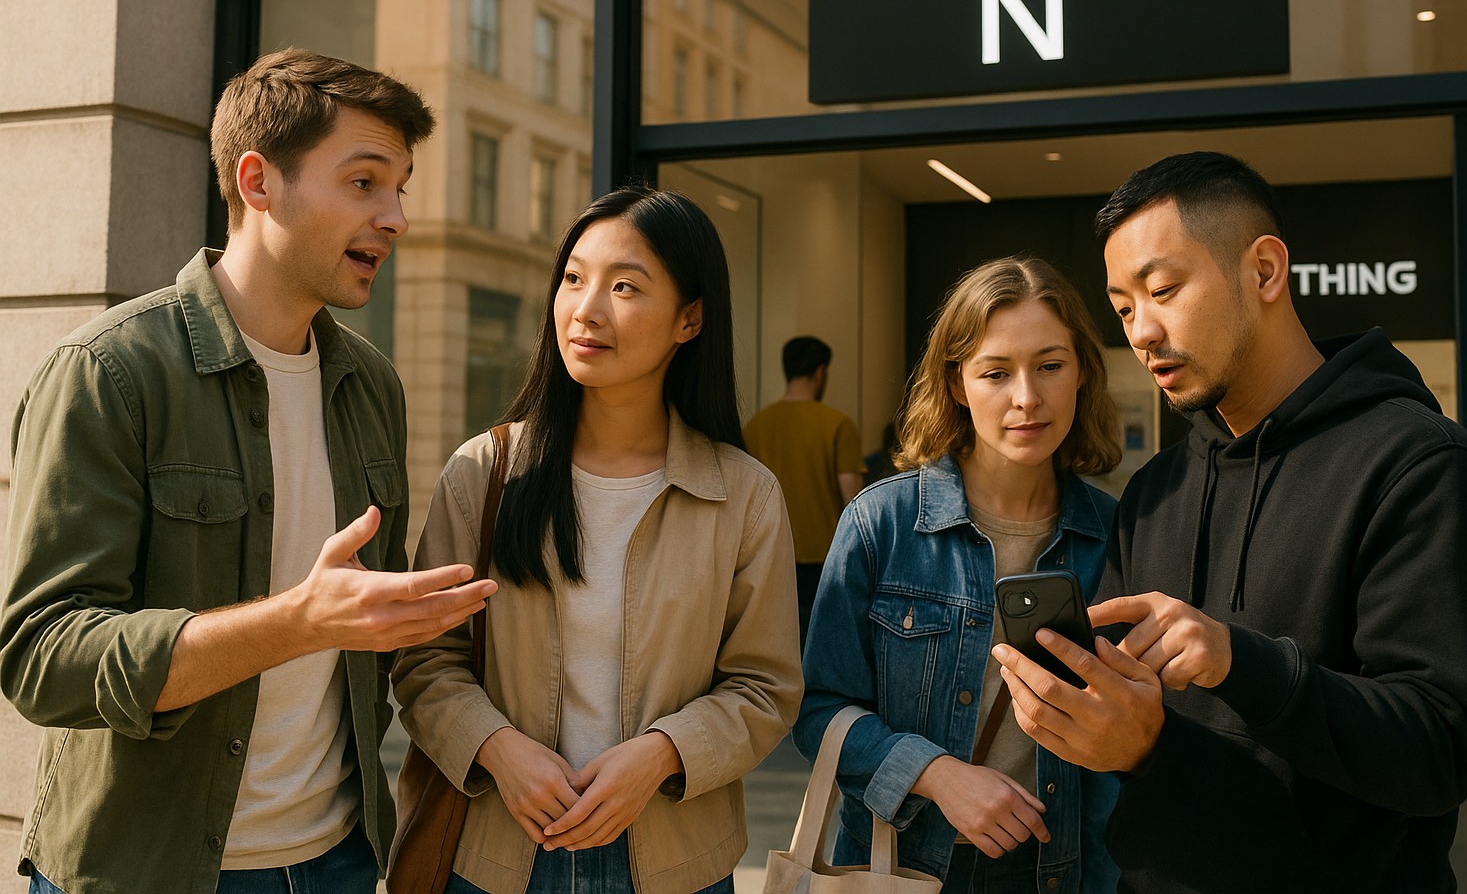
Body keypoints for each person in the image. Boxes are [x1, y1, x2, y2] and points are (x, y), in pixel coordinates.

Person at [0, 48, 499, 894]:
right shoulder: (111, 372)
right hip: (146, 870)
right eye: (365, 182)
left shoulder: (372, 385)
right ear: (259, 180)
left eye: (401, 188)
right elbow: (42, 658)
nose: (398, 218)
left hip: (337, 860)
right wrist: (298, 621)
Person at [993, 152, 1467, 893]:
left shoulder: (1419, 465)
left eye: (1163, 289)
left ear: (1265, 271)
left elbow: (1439, 754)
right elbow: (1145, 745)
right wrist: (1086, 715)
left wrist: (1242, 661)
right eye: (1123, 307)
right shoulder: (1155, 490)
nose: (1141, 330)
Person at [392, 187, 802, 894]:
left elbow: (765, 687)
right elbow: (426, 660)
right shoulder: (483, 472)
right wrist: (499, 750)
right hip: (499, 853)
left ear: (690, 319)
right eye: (574, 279)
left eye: (624, 287)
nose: (586, 310)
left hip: (674, 862)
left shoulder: (743, 493)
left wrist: (662, 754)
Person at [795, 256, 1121, 893]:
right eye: (996, 373)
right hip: (903, 864)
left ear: (1081, 369)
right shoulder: (881, 523)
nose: (1026, 397)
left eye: (1050, 365)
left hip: (1061, 869)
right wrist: (938, 774)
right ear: (956, 383)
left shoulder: (1115, 535)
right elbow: (818, 709)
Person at [743, 335, 866, 641]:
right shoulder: (837, 424)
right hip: (826, 556)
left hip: (769, 555)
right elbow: (854, 501)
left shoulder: (756, 426)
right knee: (820, 646)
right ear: (820, 372)